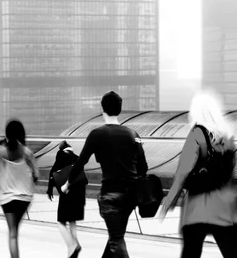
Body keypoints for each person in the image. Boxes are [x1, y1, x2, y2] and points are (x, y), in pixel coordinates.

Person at [63, 91, 148, 258]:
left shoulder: (97, 134)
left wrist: (67, 184)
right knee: (115, 237)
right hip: (130, 197)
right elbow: (143, 167)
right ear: (120, 109)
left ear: (103, 110)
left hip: (110, 194)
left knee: (116, 240)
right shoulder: (133, 134)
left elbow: (80, 162)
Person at [158, 92, 237, 258]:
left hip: (197, 208)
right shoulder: (228, 138)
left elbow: (183, 172)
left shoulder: (196, 135)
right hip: (224, 208)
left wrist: (168, 203)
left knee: (191, 252)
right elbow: (229, 174)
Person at [0, 119, 38, 258]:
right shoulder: (27, 153)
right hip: (24, 197)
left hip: (6, 197)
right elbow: (36, 176)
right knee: (15, 230)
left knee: (12, 234)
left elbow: (1, 142)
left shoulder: (2, 150)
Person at [47, 141, 86, 258]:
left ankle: (73, 246)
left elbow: (53, 171)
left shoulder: (61, 155)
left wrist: (50, 188)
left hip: (67, 193)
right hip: (79, 195)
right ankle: (71, 251)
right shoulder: (77, 158)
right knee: (72, 221)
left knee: (61, 222)